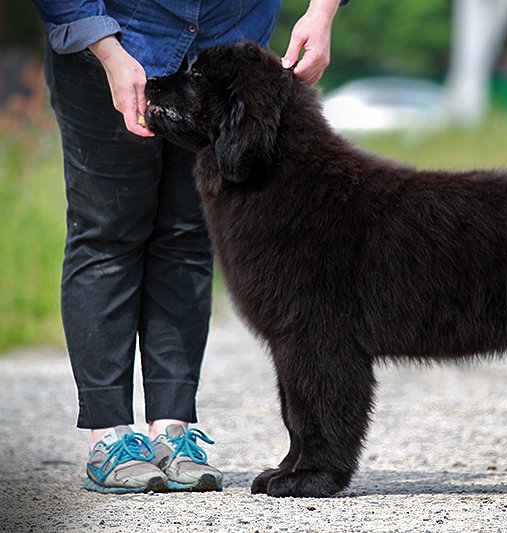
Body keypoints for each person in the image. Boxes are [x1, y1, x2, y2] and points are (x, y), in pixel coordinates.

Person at [32, 0, 347, 493]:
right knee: (108, 234)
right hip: (113, 40)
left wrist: (322, 11)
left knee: (187, 237)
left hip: (226, 37)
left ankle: (173, 429)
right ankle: (110, 435)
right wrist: (107, 51)